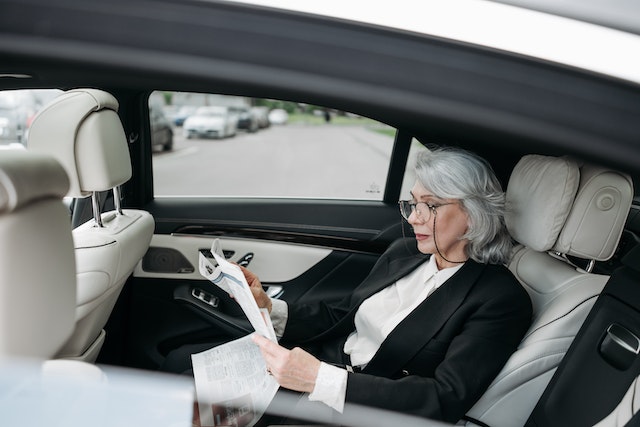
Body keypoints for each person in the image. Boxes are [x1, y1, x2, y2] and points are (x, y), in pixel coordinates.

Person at [244, 146, 532, 424]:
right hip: (317, 368)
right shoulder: (404, 252)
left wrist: (321, 379)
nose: (412, 217)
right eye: (413, 202)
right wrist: (269, 307)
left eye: (429, 205)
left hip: (363, 407)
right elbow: (343, 315)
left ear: (472, 215)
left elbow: (444, 398)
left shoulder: (499, 299)